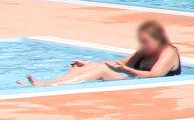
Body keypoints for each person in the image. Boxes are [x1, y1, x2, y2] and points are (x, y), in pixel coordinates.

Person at [23, 21, 181, 88]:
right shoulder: (145, 51)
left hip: (155, 85)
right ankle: (49, 83)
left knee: (101, 70)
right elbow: (119, 63)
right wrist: (86, 64)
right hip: (139, 80)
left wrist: (128, 71)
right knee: (100, 66)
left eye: (146, 41)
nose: (143, 45)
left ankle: (49, 86)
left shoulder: (168, 53)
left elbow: (155, 75)